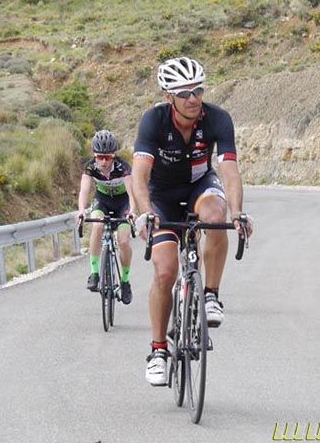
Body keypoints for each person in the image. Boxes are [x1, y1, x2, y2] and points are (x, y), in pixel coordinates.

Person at [130, 56, 254, 386]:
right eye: (184, 93)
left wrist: (238, 213)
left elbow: (229, 171)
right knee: (166, 270)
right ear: (168, 96)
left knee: (215, 216)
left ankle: (210, 295)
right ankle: (158, 350)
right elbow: (139, 177)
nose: (193, 98)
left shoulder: (217, 119)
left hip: (200, 185)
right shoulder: (153, 121)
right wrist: (146, 213)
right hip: (162, 196)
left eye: (198, 90)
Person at [77, 130, 134, 305]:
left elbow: (132, 193)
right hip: (102, 201)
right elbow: (85, 191)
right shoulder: (90, 167)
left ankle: (125, 282)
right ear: (94, 155)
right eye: (100, 157)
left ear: (114, 155)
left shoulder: (123, 167)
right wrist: (81, 210)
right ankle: (94, 273)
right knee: (97, 226)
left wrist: (132, 211)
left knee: (123, 241)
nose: (103, 161)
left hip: (123, 204)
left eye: (108, 157)